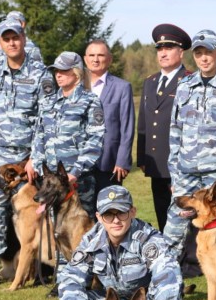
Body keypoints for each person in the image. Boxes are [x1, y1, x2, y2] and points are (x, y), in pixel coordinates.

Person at [58, 185, 183, 300]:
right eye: (109, 215)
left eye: (122, 213)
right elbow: (69, 281)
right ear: (99, 217)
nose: (116, 220)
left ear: (132, 212)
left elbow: (169, 280)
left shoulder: (148, 239)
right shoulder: (90, 241)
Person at [0, 18, 55, 288]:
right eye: (6, 38)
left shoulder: (41, 74)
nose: (11, 42)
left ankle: (45, 268)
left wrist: (35, 156)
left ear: (23, 38)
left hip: (28, 161)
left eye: (15, 37)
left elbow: (46, 119)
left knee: (37, 214)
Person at [162, 29, 216, 255]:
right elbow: (175, 131)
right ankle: (166, 287)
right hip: (187, 173)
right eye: (198, 53)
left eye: (209, 52)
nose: (203, 58)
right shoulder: (184, 86)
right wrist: (174, 173)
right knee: (172, 233)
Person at [28, 51, 104, 216]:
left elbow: (95, 141)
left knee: (79, 232)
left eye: (63, 70)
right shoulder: (48, 102)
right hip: (49, 182)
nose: (58, 75)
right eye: (56, 71)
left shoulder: (90, 101)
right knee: (52, 232)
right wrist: (37, 164)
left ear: (77, 73)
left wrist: (74, 173)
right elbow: (39, 136)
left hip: (78, 180)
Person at [137, 24, 191, 232]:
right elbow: (144, 122)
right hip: (156, 162)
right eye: (160, 49)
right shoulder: (150, 82)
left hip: (179, 161)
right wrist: (142, 157)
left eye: (169, 48)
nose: (163, 53)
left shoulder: (188, 80)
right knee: (161, 210)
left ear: (180, 51)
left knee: (182, 213)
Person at [84, 39, 135, 197]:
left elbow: (127, 127)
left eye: (100, 55)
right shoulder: (77, 86)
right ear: (85, 59)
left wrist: (122, 160)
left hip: (109, 162)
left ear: (109, 59)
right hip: (80, 162)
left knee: (109, 209)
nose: (96, 59)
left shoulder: (122, 87)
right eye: (91, 55)